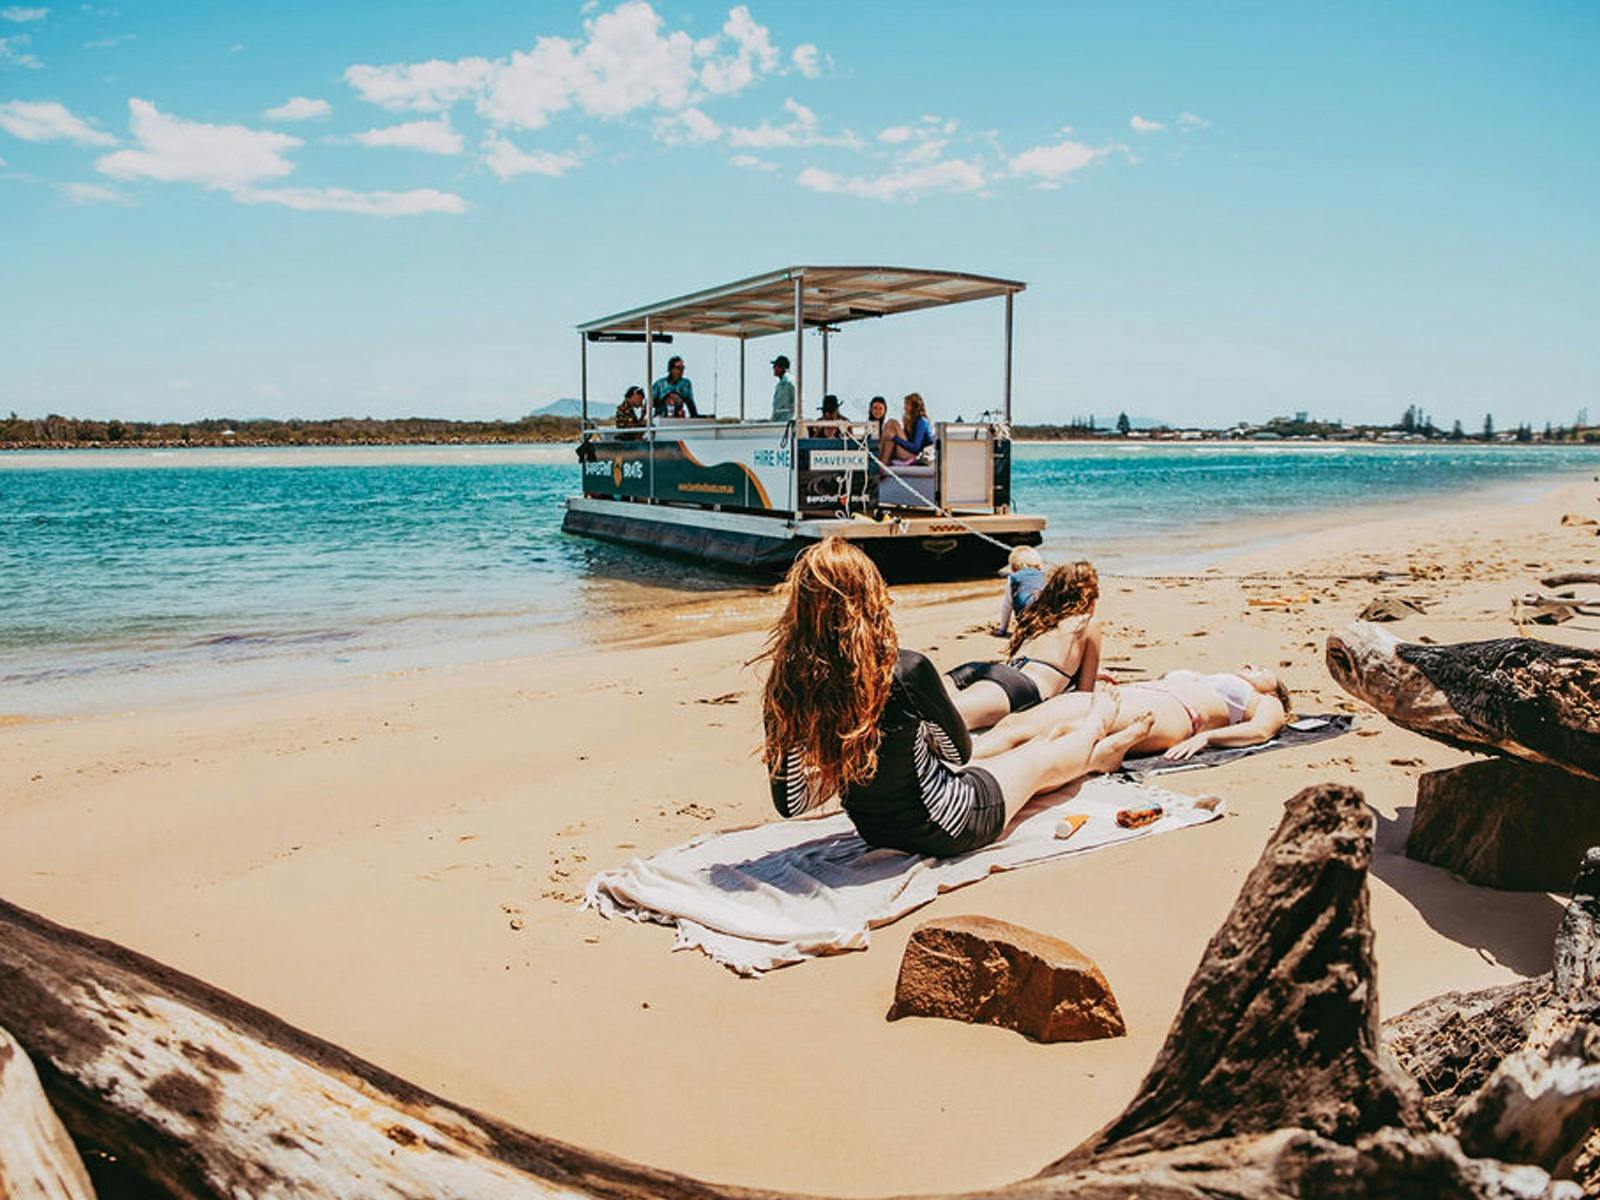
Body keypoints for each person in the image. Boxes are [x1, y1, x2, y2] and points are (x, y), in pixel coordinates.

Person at [760, 538, 1150, 858]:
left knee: (1029, 749)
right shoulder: (906, 671)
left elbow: (791, 802)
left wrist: (847, 759)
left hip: (876, 832)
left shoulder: (786, 685)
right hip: (951, 824)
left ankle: (1087, 754)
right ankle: (1098, 732)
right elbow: (958, 754)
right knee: (1038, 757)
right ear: (871, 597)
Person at [973, 663, 1291, 766]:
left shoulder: (1265, 700)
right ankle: (961, 763)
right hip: (1137, 695)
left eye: (1263, 670)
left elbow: (1262, 731)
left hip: (1172, 712)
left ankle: (958, 768)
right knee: (1020, 725)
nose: (1252, 666)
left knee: (1043, 731)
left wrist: (1208, 737)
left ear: (1274, 690)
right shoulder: (1209, 679)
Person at [947, 559, 1102, 731]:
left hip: (992, 671)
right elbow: (1084, 694)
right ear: (1089, 595)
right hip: (1021, 689)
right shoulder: (1087, 623)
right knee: (943, 723)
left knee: (926, 713)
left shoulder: (1041, 618)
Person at [996, 545, 1046, 636]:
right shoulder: (1044, 576)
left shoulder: (1013, 578)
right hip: (1046, 619)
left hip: (1025, 620)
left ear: (1013, 567)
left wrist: (1003, 629)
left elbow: (1007, 606)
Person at [880, 392, 933, 465]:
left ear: (914, 406)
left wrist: (894, 438)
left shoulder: (922, 421)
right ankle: (882, 462)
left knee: (892, 423)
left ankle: (880, 461)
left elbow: (915, 448)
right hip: (907, 453)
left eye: (907, 405)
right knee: (889, 426)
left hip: (915, 456)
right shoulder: (909, 421)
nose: (904, 407)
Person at [770, 355, 796, 421]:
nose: (773, 368)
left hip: (787, 421)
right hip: (780, 421)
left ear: (781, 368)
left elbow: (797, 400)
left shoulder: (790, 382)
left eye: (775, 366)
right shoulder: (779, 385)